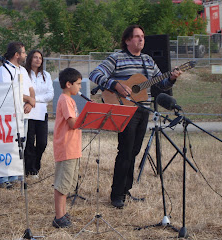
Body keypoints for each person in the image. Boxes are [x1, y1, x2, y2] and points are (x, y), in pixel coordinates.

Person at [89, 25, 182, 208]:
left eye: (143, 37)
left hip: (143, 110)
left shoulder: (148, 61)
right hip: (124, 110)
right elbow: (95, 74)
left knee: (134, 151)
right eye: (137, 37)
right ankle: (116, 194)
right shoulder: (117, 57)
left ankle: (125, 190)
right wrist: (115, 85)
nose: (141, 40)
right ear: (127, 40)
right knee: (125, 151)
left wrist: (171, 78)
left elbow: (161, 84)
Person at [0, 41, 35, 189]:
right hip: (9, 113)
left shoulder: (23, 71)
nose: (26, 55)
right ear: (16, 54)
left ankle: (13, 175)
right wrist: (28, 99)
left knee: (20, 145)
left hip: (23, 113)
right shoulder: (4, 69)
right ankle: (2, 177)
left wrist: (30, 102)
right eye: (24, 53)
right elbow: (9, 90)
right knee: (7, 145)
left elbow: (31, 89)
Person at [52, 68, 82, 228]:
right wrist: (87, 117)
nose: (80, 87)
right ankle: (59, 217)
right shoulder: (65, 99)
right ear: (68, 84)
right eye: (78, 84)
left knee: (68, 183)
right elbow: (72, 123)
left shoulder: (70, 99)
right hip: (66, 148)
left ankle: (62, 213)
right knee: (62, 184)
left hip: (73, 148)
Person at [24, 50, 54, 178]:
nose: (38, 60)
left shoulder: (46, 75)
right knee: (29, 141)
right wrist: (29, 100)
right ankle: (31, 170)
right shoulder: (24, 73)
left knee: (42, 143)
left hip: (42, 112)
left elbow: (50, 94)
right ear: (30, 58)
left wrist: (35, 99)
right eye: (35, 57)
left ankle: (35, 164)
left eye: (40, 58)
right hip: (28, 111)